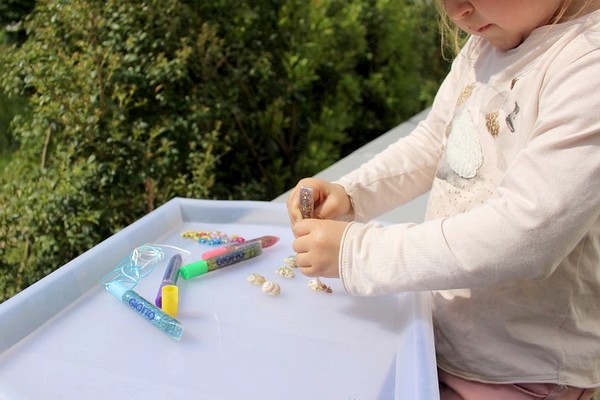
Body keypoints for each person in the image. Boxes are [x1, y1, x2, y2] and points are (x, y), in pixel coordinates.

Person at [286, 0, 600, 399]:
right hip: (438, 336)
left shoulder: (587, 65)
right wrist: (351, 193)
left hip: (521, 368)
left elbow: (528, 234)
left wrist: (357, 253)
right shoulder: (486, 43)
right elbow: (434, 143)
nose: (455, 11)